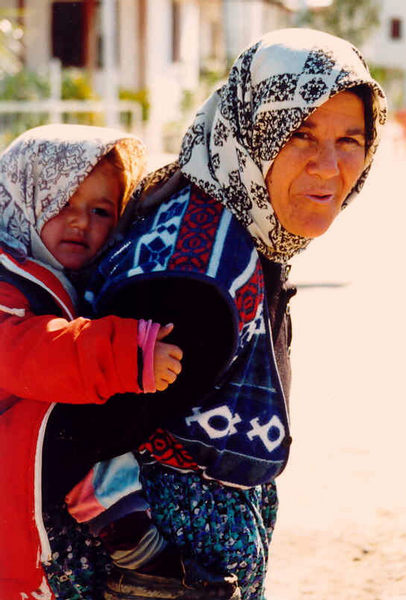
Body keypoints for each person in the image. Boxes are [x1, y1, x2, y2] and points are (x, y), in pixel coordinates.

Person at [78, 28, 387, 600]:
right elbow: (80, 437)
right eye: (299, 133)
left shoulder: (218, 212)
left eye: (351, 138)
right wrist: (148, 556)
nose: (328, 165)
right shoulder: (203, 280)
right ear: (252, 134)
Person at [0, 124, 183, 600]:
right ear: (23, 200)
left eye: (101, 210)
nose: (80, 222)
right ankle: (126, 530)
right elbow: (29, 353)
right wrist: (127, 352)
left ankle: (125, 529)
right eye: (60, 204)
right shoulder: (5, 281)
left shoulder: (68, 281)